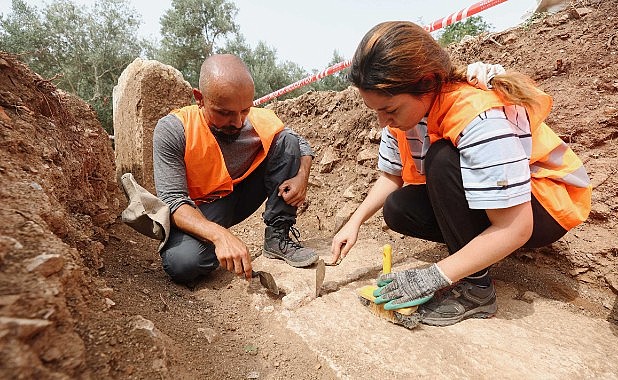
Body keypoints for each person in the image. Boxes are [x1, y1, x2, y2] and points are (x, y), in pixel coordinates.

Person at [330, 21, 592, 326]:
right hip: (504, 205)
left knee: (441, 159)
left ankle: (476, 291)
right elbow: (391, 177)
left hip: (543, 206)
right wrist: (354, 223)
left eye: (389, 110)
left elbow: (517, 227)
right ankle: (476, 256)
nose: (382, 122)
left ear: (426, 83)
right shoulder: (401, 117)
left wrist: (433, 277)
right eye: (376, 111)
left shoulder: (476, 113)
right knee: (399, 208)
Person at [153, 54, 318, 285]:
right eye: (224, 112)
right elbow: (172, 200)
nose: (238, 122)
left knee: (285, 140)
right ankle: (214, 244)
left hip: (244, 195)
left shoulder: (256, 120)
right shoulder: (173, 129)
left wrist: (302, 176)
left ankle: (278, 237)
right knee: (182, 263)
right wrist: (220, 236)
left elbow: (298, 143)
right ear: (199, 98)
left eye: (244, 110)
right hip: (202, 209)